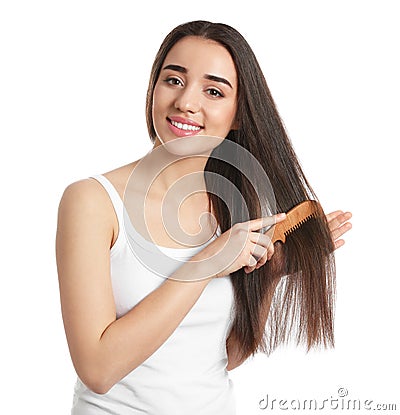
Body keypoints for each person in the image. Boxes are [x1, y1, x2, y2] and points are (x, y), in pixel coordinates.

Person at [56, 20, 352, 415]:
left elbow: (225, 357)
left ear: (239, 115)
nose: (186, 102)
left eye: (213, 91)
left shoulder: (238, 208)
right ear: (153, 87)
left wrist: (272, 272)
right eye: (174, 80)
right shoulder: (92, 202)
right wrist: (206, 262)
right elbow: (97, 368)